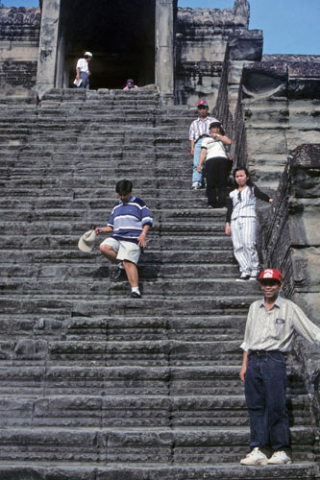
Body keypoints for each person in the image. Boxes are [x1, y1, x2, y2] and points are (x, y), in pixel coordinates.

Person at [239, 268, 320, 466]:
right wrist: (244, 366)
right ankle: (258, 447)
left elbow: (312, 331)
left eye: (272, 283)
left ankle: (281, 449)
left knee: (276, 406)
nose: (268, 287)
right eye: (265, 283)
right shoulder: (253, 308)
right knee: (255, 406)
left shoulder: (288, 308)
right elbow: (247, 339)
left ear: (280, 285)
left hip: (274, 360)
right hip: (254, 361)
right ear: (260, 285)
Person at [94, 180, 153, 299]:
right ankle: (121, 265)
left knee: (128, 261)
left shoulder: (139, 203)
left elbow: (148, 220)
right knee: (104, 247)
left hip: (132, 238)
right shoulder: (116, 206)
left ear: (130, 192)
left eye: (124, 195)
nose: (122, 197)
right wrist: (101, 229)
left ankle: (135, 290)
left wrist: (143, 235)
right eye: (120, 194)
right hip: (117, 237)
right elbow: (111, 227)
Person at [225, 167, 273, 281]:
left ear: (247, 177)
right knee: (238, 245)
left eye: (241, 176)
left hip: (248, 217)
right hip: (235, 219)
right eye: (237, 176)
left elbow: (262, 195)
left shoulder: (252, 189)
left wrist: (271, 200)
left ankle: (255, 269)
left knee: (249, 243)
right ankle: (245, 270)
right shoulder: (232, 193)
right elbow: (229, 209)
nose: (239, 178)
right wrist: (227, 224)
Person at [197, 121, 232, 207]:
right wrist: (199, 164)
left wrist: (218, 136)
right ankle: (211, 202)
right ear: (210, 129)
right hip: (211, 160)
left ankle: (222, 202)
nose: (216, 129)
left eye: (217, 127)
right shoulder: (206, 140)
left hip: (222, 159)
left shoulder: (222, 138)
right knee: (210, 182)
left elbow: (229, 142)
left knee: (222, 182)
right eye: (214, 128)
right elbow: (203, 152)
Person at [189, 100, 219, 190]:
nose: (202, 110)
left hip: (210, 140)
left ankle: (211, 182)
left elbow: (220, 132)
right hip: (199, 141)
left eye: (204, 108)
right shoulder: (194, 123)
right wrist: (192, 147)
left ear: (207, 109)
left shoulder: (213, 121)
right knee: (197, 163)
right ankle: (196, 181)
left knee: (212, 162)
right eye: (200, 108)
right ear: (198, 110)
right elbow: (192, 137)